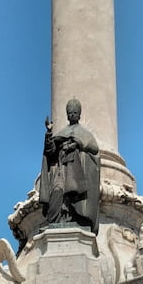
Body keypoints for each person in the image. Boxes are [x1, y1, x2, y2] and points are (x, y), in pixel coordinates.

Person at [39, 99, 100, 234]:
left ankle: (74, 219)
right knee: (56, 192)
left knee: (72, 194)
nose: (72, 115)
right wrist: (49, 133)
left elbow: (93, 148)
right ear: (67, 115)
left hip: (74, 170)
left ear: (79, 115)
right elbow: (50, 151)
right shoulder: (62, 132)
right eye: (70, 113)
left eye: (75, 112)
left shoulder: (85, 134)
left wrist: (77, 144)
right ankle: (55, 220)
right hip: (61, 168)